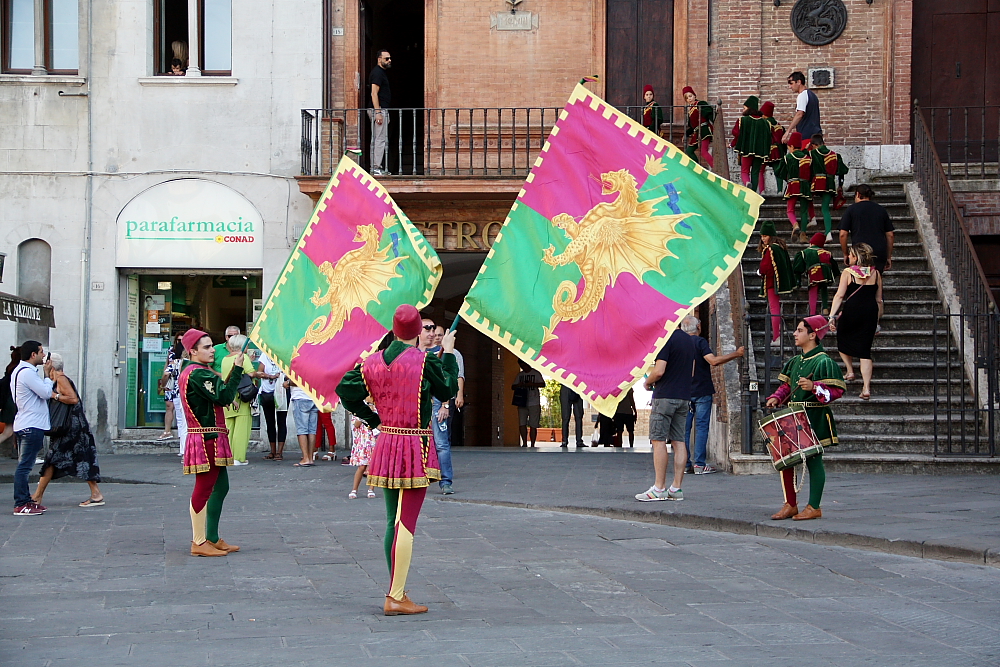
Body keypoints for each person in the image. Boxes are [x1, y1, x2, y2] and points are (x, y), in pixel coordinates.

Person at [336, 304, 459, 616]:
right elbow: (448, 389)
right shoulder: (424, 362)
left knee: (393, 519)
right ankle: (396, 594)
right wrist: (446, 356)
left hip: (387, 441)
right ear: (419, 331)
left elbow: (344, 390)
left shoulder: (371, 362)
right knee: (407, 522)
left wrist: (373, 419)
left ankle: (397, 587)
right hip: (414, 445)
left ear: (393, 329)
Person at [765, 316, 844, 521]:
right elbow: (788, 387)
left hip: (814, 415)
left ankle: (814, 506)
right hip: (793, 417)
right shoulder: (795, 361)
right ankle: (790, 504)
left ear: (812, 334)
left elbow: (836, 391)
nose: (794, 334)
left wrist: (815, 387)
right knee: (787, 461)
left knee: (814, 461)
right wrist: (776, 397)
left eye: (799, 330)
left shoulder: (824, 361)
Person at [178, 328, 244, 556]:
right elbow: (224, 396)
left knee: (221, 485)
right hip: (206, 438)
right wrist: (238, 369)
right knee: (204, 488)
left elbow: (218, 394)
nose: (212, 351)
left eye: (211, 346)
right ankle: (199, 541)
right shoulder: (198, 374)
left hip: (211, 435)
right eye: (206, 347)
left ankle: (212, 537)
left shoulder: (195, 371)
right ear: (192, 351)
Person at [31, 353, 103, 507]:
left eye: (45, 363)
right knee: (76, 459)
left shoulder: (61, 379)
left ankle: (37, 496)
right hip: (71, 428)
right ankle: (95, 494)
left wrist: (54, 396)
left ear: (51, 364)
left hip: (71, 428)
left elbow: (73, 398)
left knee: (54, 460)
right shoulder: (55, 379)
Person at [635, 328, 694, 502]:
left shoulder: (665, 338)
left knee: (658, 440)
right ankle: (676, 488)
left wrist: (647, 382)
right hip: (683, 397)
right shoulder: (689, 341)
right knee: (679, 441)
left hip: (665, 396)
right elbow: (691, 372)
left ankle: (659, 488)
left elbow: (659, 370)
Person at [683, 316, 744, 474]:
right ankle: (700, 464)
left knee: (684, 429)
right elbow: (713, 361)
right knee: (702, 427)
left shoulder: (678, 344)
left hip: (683, 392)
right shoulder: (700, 342)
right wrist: (736, 354)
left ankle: (684, 464)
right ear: (699, 327)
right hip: (702, 390)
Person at [828, 243, 883, 401]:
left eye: (851, 255)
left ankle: (850, 370)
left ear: (857, 257)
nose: (849, 257)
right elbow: (879, 300)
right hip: (870, 312)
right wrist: (877, 321)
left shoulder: (848, 272)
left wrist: (832, 316)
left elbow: (839, 296)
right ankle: (866, 387)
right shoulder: (876, 274)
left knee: (843, 338)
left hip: (852, 311)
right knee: (865, 351)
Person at [11, 341, 55, 516]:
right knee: (24, 466)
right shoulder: (28, 373)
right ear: (33, 355)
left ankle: (26, 501)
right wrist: (48, 378)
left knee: (24, 465)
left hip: (26, 423)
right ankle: (21, 503)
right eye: (41, 352)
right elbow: (45, 393)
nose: (44, 356)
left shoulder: (20, 372)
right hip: (31, 425)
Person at [430, 324, 463, 494]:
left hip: (436, 402)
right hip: (419, 404)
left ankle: (446, 481)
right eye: (429, 331)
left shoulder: (449, 354)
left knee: (441, 443)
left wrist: (445, 404)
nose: (433, 335)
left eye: (437, 333)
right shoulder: (417, 353)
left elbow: (452, 378)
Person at [838, 184, 895, 274]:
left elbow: (843, 234)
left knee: (860, 280)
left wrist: (846, 254)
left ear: (857, 194)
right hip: (878, 251)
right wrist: (888, 256)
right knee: (876, 279)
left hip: (859, 252)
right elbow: (890, 235)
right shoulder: (881, 210)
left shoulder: (851, 210)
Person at [221, 334, 257, 466]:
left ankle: (227, 455)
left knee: (228, 428)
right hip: (242, 396)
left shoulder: (225, 359)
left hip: (229, 396)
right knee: (242, 428)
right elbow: (251, 372)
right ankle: (239, 457)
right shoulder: (243, 357)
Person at [758, 220, 795, 344]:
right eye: (762, 236)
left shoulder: (771, 249)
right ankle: (777, 331)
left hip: (771, 283)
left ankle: (776, 337)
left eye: (765, 236)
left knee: (774, 309)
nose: (763, 239)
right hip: (776, 282)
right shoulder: (780, 248)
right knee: (776, 308)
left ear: (771, 236)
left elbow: (765, 268)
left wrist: (759, 272)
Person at [774, 131, 813, 242]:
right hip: (805, 186)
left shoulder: (788, 158)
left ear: (791, 146)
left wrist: (787, 177)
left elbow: (778, 172)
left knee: (790, 210)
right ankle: (803, 235)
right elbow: (811, 173)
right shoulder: (808, 158)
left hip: (792, 185)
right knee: (804, 211)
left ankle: (795, 224)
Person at [809, 133, 849, 239]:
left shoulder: (812, 153)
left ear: (814, 145)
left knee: (807, 199)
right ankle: (828, 233)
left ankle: (812, 218)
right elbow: (842, 171)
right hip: (830, 183)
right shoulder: (835, 155)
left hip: (817, 182)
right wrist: (840, 185)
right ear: (823, 143)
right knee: (825, 209)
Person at [793, 232, 840, 316]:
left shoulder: (805, 252)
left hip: (814, 273)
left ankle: (812, 312)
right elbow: (835, 267)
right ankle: (825, 308)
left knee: (813, 291)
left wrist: (798, 281)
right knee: (824, 287)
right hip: (826, 273)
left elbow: (798, 268)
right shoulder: (827, 253)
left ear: (811, 243)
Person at [731, 95, 770, 193]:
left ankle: (747, 182)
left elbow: (736, 133)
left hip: (746, 150)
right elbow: (768, 137)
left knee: (745, 171)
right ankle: (754, 193)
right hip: (760, 152)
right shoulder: (765, 122)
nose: (742, 110)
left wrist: (732, 144)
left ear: (749, 108)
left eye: (744, 108)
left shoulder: (742, 120)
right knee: (755, 172)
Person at [257, 352, 287, 461]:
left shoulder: (284, 356)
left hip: (282, 392)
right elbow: (259, 372)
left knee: (281, 421)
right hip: (267, 393)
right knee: (270, 422)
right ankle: (272, 450)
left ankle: (280, 452)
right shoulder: (265, 356)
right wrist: (270, 376)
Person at [369, 49, 392, 176]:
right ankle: (376, 167)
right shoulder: (377, 73)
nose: (389, 60)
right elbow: (374, 93)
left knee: (380, 138)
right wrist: (378, 112)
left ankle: (377, 166)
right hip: (379, 109)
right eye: (386, 58)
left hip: (381, 109)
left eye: (389, 58)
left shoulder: (380, 72)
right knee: (379, 139)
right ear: (379, 59)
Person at [157, 333, 185, 441]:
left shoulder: (188, 351)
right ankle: (167, 431)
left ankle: (181, 433)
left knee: (180, 409)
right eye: (178, 340)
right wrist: (164, 382)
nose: (180, 342)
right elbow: (167, 364)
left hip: (180, 381)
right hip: (171, 380)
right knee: (169, 406)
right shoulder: (171, 350)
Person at [512, 360, 545, 447]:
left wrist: (532, 384)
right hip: (522, 402)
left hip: (534, 402)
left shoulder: (536, 373)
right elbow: (513, 386)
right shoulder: (520, 375)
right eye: (521, 366)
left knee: (533, 424)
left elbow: (543, 384)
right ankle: (524, 443)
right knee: (522, 423)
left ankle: (533, 444)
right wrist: (519, 385)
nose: (523, 368)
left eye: (524, 365)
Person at [348, 404, 377, 500]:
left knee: (373, 466)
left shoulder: (377, 410)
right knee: (362, 466)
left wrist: (373, 413)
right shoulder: (358, 410)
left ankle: (371, 489)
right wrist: (364, 414)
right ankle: (354, 489)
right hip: (363, 442)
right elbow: (356, 424)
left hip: (374, 441)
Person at [785, 71, 822, 143]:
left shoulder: (802, 95)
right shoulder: (812, 95)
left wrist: (788, 131)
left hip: (807, 136)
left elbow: (800, 114)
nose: (790, 87)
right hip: (815, 135)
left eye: (791, 83)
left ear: (799, 82)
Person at [682, 86, 714, 168]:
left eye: (690, 96)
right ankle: (697, 168)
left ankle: (715, 168)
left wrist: (715, 125)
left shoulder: (700, 104)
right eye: (687, 98)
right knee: (689, 151)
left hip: (704, 130)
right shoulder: (690, 110)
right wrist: (685, 134)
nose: (689, 99)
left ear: (694, 96)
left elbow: (709, 113)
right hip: (696, 132)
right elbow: (692, 126)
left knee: (703, 152)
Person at [288, 379, 318, 467]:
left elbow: (298, 380)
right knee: (312, 430)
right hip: (313, 397)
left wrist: (288, 382)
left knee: (302, 429)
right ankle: (310, 458)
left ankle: (305, 458)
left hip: (300, 397)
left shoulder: (299, 365)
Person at [0, 346, 21, 458]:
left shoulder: (10, 368)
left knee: (8, 432)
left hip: (9, 403)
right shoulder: (18, 370)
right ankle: (17, 451)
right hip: (13, 403)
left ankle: (16, 451)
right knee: (9, 432)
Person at [761, 101, 785, 193]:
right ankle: (780, 190)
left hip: (765, 150)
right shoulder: (778, 125)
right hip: (777, 151)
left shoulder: (764, 124)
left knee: (760, 170)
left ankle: (762, 191)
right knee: (777, 171)